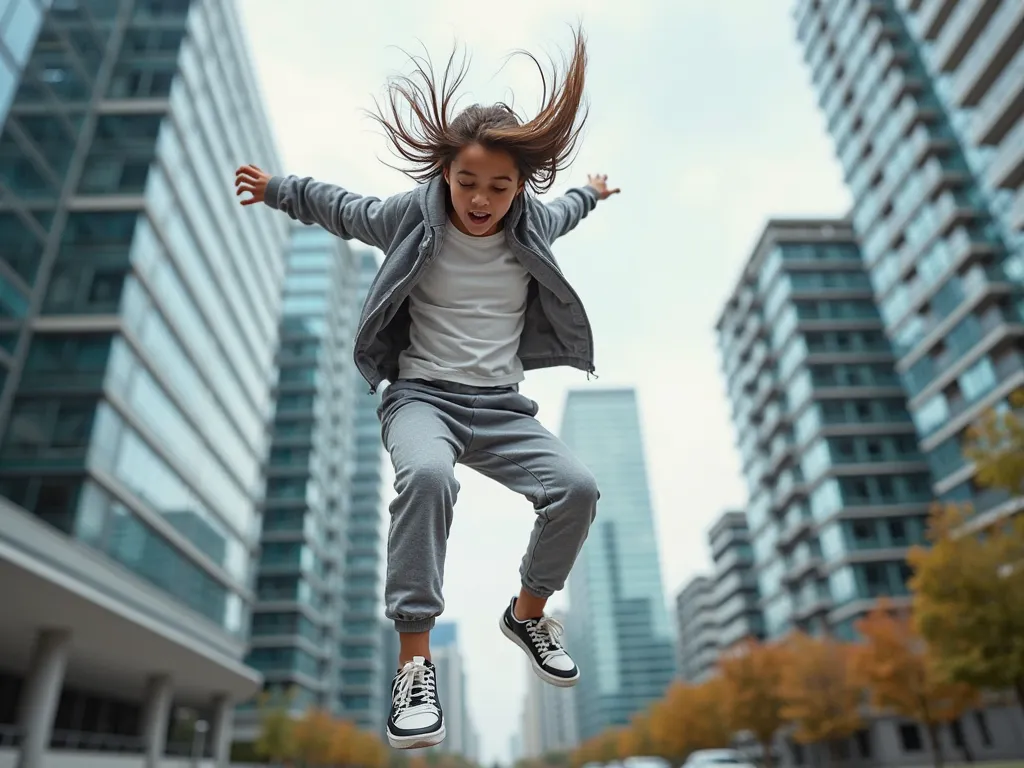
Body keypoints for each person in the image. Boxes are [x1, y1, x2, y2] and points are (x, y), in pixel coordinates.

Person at [234, 27, 619, 750]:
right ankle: (415, 666)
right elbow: (340, 206)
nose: (480, 198)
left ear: (519, 188)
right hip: (423, 401)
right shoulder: (408, 218)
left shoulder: (533, 223)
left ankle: (528, 612)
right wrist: (278, 189)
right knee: (430, 477)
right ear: (445, 174)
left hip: (504, 410)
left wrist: (592, 193)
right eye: (467, 182)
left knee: (577, 488)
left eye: (498, 187)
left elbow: (565, 206)